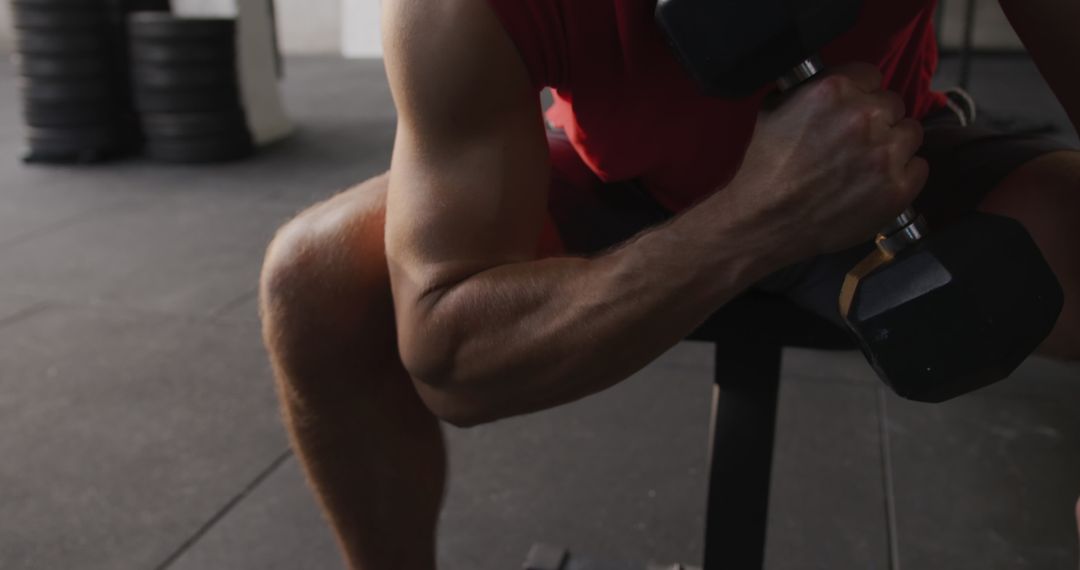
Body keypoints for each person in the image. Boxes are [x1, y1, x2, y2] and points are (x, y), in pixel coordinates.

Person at [257, 0, 1080, 568]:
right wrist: (759, 218)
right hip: (616, 179)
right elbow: (453, 361)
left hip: (885, 153)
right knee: (316, 280)